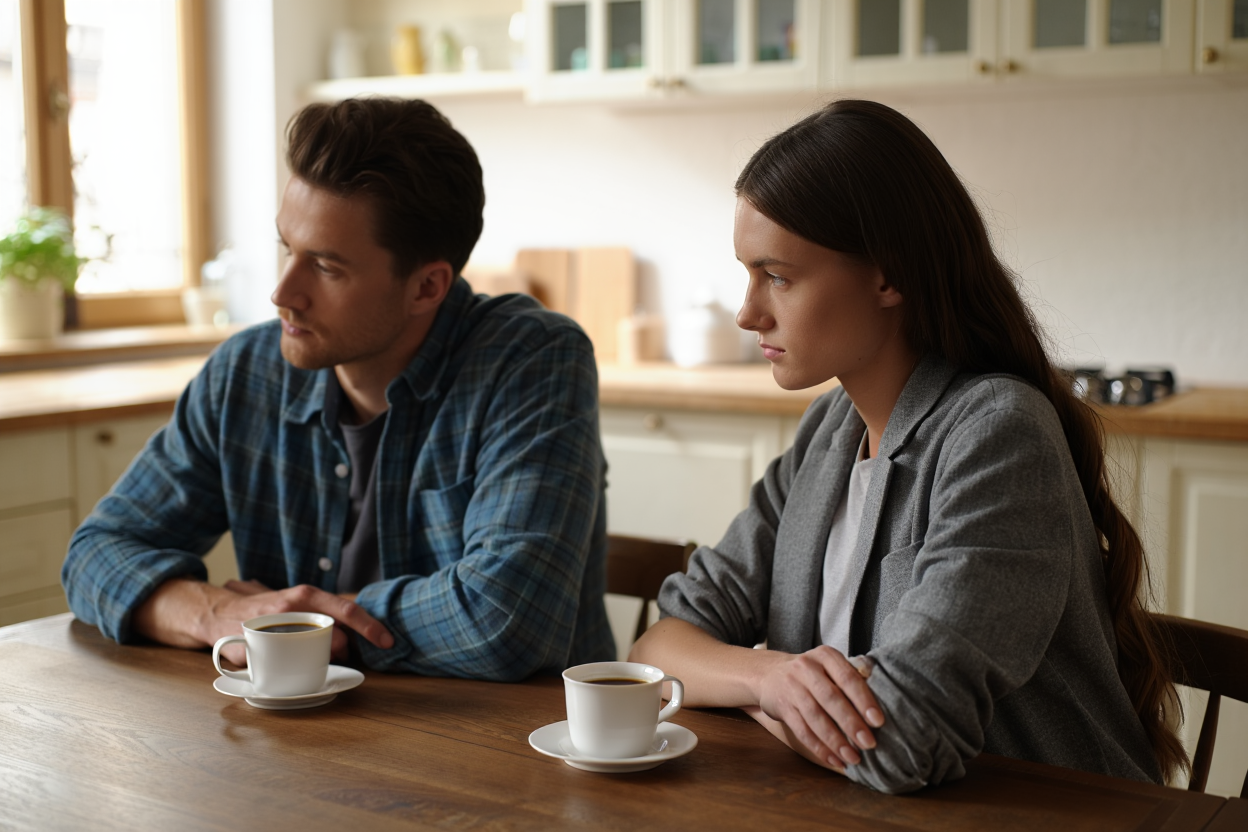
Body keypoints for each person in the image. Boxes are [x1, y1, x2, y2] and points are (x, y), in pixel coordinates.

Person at [630, 99, 1186, 793]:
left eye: (778, 275)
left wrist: (737, 684)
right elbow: (660, 646)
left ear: (888, 275)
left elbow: (903, 743)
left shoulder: (997, 435)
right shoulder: (827, 433)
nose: (748, 313)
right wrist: (772, 679)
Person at [62, 98, 615, 680]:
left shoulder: (531, 360)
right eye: (287, 249)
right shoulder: (244, 374)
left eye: (326, 267)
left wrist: (301, 627)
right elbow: (97, 553)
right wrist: (218, 613)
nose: (282, 293)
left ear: (427, 286)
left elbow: (510, 620)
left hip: (511, 752)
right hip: (300, 747)